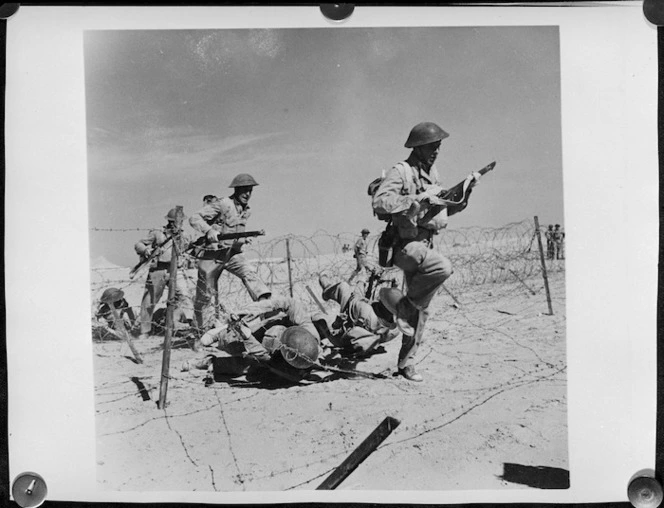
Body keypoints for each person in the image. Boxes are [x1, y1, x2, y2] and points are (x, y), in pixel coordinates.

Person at [371, 121, 481, 382]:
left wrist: (463, 195)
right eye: (432, 146)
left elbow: (444, 209)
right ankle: (401, 305)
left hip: (425, 243)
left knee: (420, 312)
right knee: (442, 267)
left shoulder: (433, 175)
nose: (436, 151)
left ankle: (406, 363)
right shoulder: (402, 172)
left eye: (438, 146)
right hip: (405, 246)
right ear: (418, 147)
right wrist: (416, 200)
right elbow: (380, 202)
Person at [189, 173, 271, 333]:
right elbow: (194, 218)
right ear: (236, 190)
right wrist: (209, 230)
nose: (247, 194)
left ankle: (267, 313)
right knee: (205, 296)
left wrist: (243, 240)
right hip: (213, 255)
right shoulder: (223, 204)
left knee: (252, 277)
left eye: (250, 190)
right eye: (244, 190)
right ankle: (200, 333)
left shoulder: (246, 211)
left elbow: (234, 232)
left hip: (231, 254)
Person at [190, 294, 323, 379]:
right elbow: (290, 303)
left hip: (265, 353)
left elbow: (264, 356)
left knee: (249, 366)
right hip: (265, 324)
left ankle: (209, 360)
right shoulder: (309, 330)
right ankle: (222, 329)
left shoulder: (290, 367)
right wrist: (247, 311)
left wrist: (245, 334)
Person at [134, 208, 192, 340]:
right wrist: (146, 250)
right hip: (158, 269)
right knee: (150, 299)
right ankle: (145, 331)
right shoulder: (157, 233)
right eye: (176, 222)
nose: (179, 224)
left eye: (181, 222)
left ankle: (177, 325)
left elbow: (188, 249)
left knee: (184, 296)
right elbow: (139, 244)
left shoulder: (185, 235)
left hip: (176, 269)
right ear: (170, 222)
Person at [317, 274, 400, 355]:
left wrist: (361, 280)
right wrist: (393, 289)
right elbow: (390, 306)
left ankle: (326, 291)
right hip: (369, 339)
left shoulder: (365, 309)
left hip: (342, 338)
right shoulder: (392, 329)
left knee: (342, 287)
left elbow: (355, 296)